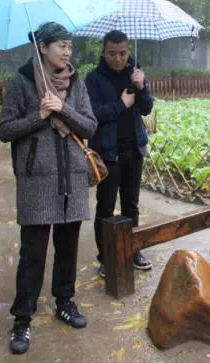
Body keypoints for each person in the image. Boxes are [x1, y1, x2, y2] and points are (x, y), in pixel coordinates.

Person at [0, 22, 97, 355]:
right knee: (33, 254)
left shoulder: (76, 81)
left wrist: (62, 108)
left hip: (73, 177)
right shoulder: (22, 82)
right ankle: (22, 318)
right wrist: (39, 115)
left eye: (70, 45)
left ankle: (64, 301)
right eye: (61, 46)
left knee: (68, 247)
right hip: (37, 181)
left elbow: (90, 126)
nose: (67, 52)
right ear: (42, 47)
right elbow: (5, 130)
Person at [85, 30, 154, 276]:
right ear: (104, 52)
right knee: (105, 207)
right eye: (112, 53)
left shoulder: (135, 74)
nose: (118, 58)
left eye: (123, 53)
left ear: (128, 51)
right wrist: (121, 105)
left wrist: (141, 88)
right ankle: (106, 256)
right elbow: (92, 115)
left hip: (133, 149)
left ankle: (132, 250)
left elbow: (146, 109)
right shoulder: (93, 79)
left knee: (131, 205)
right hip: (107, 153)